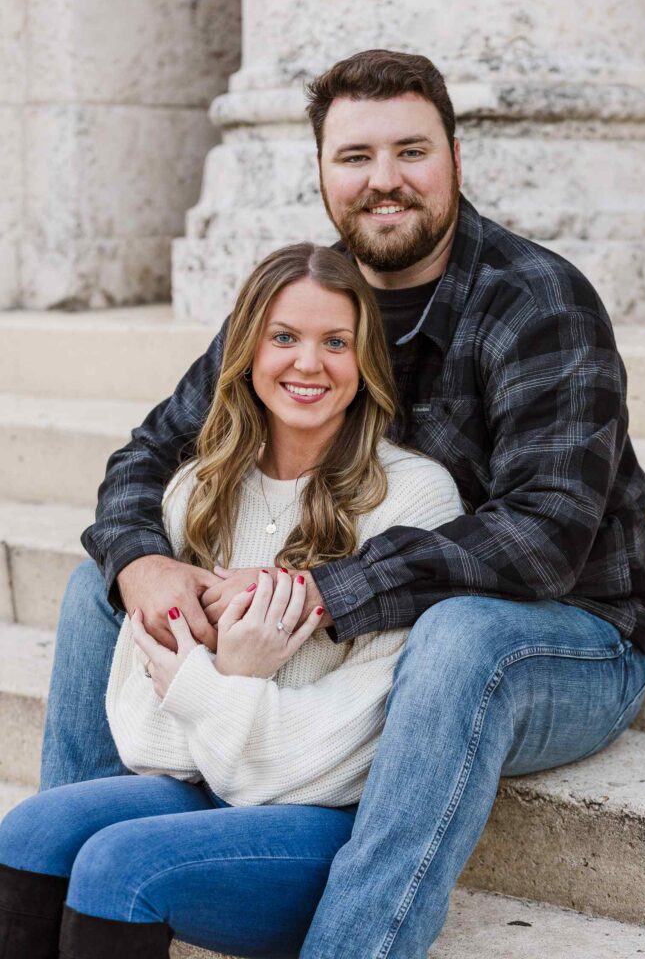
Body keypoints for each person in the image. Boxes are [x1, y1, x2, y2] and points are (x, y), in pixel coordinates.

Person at [36, 49, 645, 958]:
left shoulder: (537, 300)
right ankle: (72, 877)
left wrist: (317, 593)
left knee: (460, 635)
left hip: (558, 636)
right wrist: (145, 562)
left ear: (453, 156)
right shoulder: (307, 294)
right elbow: (153, 449)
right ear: (323, 172)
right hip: (360, 626)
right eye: (355, 157)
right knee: (107, 590)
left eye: (410, 152)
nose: (384, 182)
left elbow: (542, 540)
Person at [0, 243, 463, 957]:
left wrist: (211, 684)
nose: (308, 364)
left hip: (318, 819)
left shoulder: (412, 498)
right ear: (245, 351)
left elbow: (345, 752)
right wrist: (237, 679)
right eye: (283, 337)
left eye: (334, 342)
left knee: (118, 864)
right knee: (27, 831)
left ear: (365, 361)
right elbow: (142, 736)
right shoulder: (197, 492)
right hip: (206, 784)